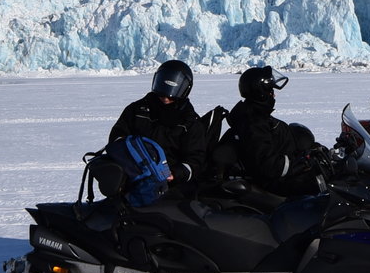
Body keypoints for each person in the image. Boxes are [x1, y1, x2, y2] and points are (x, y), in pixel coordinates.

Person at [220, 64, 328, 198]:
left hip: (276, 176)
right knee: (321, 186)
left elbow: (279, 142)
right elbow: (268, 165)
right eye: (271, 91)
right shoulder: (252, 123)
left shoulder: (257, 115)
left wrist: (311, 151)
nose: (274, 95)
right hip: (270, 185)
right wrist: (302, 162)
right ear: (261, 93)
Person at [107, 59, 213, 182]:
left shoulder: (190, 122)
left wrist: (175, 174)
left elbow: (195, 159)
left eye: (170, 96)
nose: (166, 99)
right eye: (162, 95)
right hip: (133, 175)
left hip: (169, 186)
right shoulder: (137, 111)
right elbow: (117, 136)